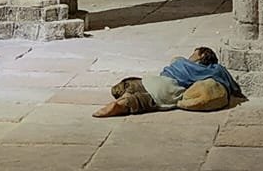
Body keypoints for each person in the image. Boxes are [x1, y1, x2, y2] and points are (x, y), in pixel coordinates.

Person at [93, 45, 244, 117]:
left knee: (123, 88)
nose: (190, 56)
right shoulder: (207, 71)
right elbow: (223, 76)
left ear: (202, 56)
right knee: (140, 100)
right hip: (166, 89)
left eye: (194, 54)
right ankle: (123, 102)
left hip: (151, 81)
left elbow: (175, 59)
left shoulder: (182, 63)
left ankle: (123, 97)